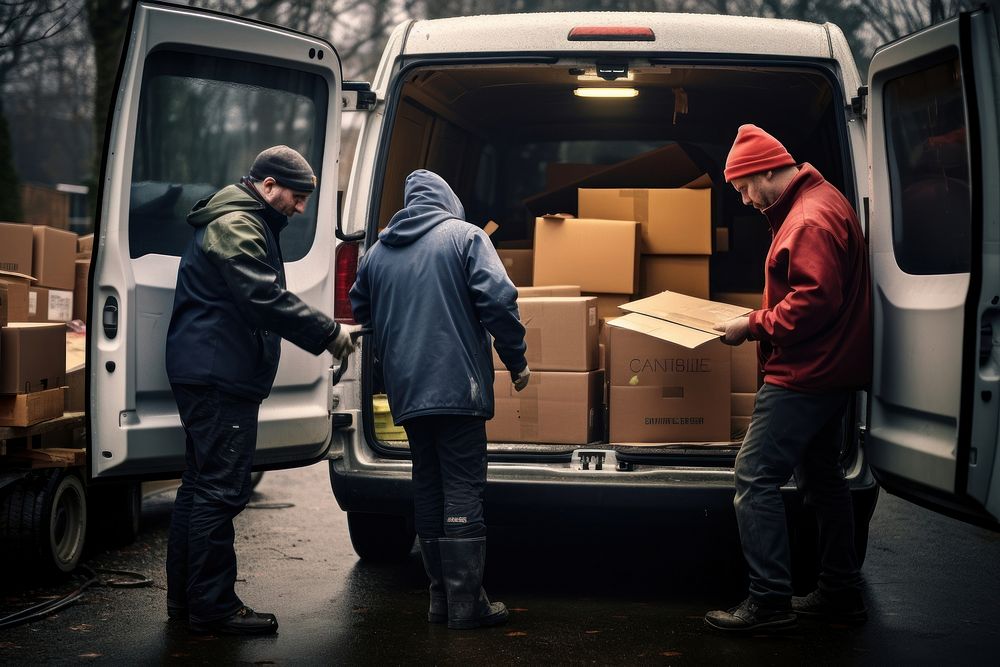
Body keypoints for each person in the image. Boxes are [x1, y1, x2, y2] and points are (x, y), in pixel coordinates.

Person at [164, 145, 359, 635]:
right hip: (217, 376)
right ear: (267, 185)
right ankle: (214, 608)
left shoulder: (244, 218)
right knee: (220, 492)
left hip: (209, 371)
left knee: (199, 487)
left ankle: (187, 603)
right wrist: (327, 333)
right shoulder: (237, 223)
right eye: (296, 197)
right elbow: (260, 296)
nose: (301, 208)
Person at [705, 125, 872, 633]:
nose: (744, 199)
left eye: (742, 187)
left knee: (753, 477)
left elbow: (813, 303)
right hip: (830, 369)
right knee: (823, 479)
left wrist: (750, 325)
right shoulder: (822, 200)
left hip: (804, 373)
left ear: (766, 171)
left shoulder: (808, 221)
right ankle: (840, 592)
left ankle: (768, 601)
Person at [349, 169, 529, 630]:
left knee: (427, 483)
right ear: (448, 201)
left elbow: (361, 311)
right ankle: (468, 605)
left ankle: (439, 601)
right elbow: (499, 300)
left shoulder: (376, 254)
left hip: (407, 391)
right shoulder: (465, 237)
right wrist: (516, 358)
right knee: (463, 484)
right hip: (457, 389)